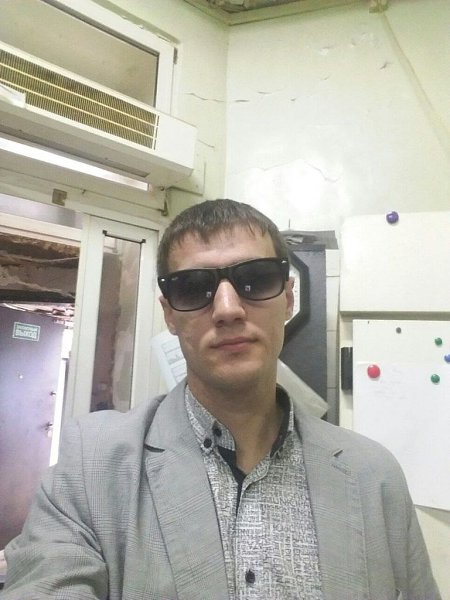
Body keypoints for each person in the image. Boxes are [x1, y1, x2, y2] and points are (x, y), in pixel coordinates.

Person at [2, 199, 441, 599]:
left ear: (288, 298)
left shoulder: (373, 475)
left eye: (256, 279)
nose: (228, 309)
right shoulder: (90, 465)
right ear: (170, 314)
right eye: (193, 288)